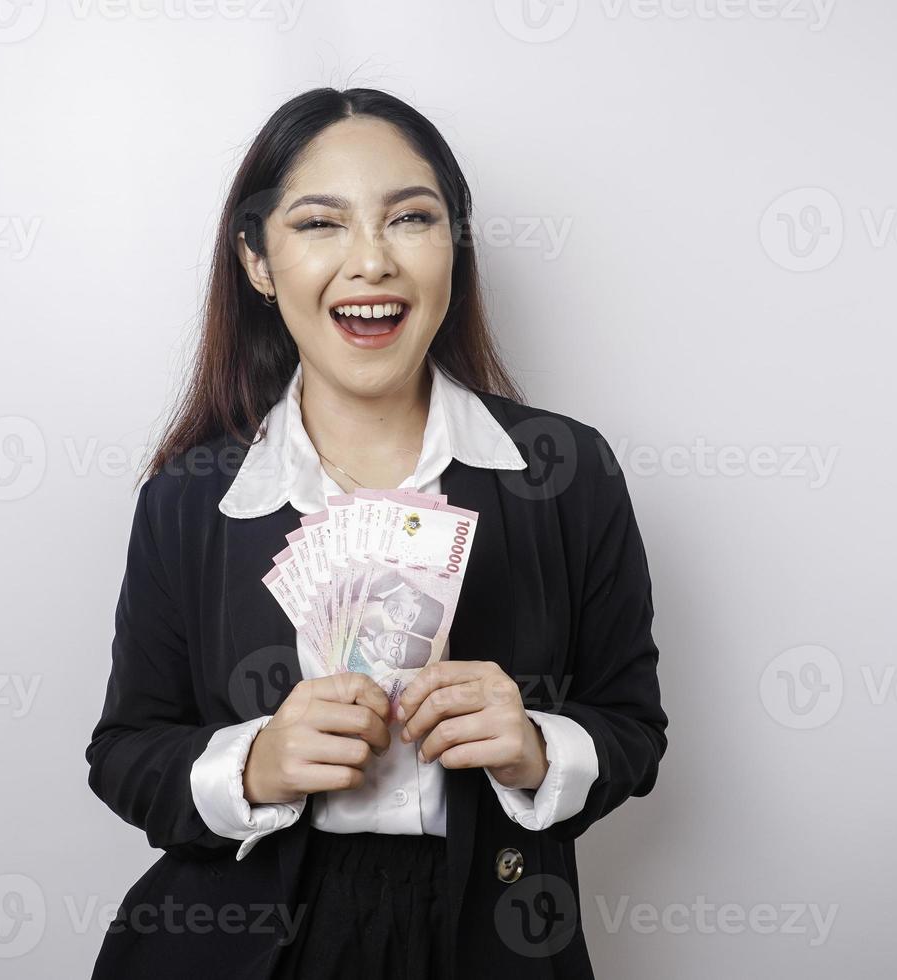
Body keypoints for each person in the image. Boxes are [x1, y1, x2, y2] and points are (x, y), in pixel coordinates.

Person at [86, 86, 668, 980]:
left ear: (454, 248)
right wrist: (255, 766)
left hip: (492, 940)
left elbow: (633, 729)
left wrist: (538, 747)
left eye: (411, 219)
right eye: (321, 224)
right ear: (258, 260)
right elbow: (125, 754)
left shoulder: (567, 473)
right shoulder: (190, 499)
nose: (371, 262)